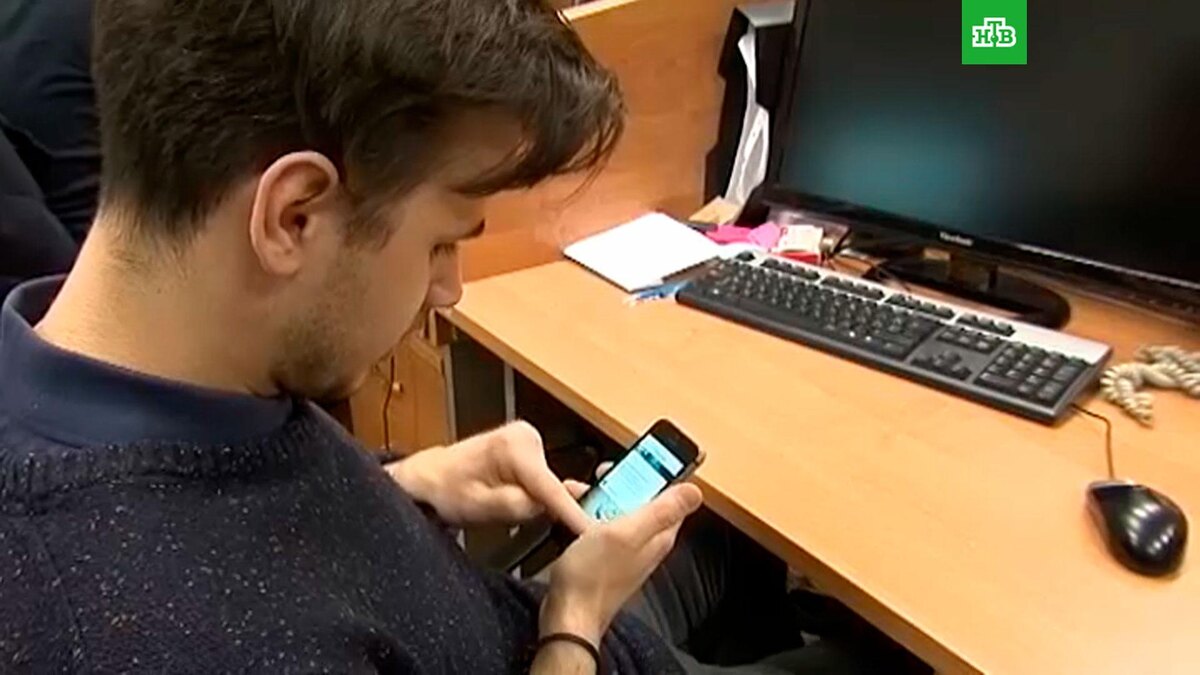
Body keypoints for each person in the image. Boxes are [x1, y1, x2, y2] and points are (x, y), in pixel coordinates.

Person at [0, 1, 912, 672]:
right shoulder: (158, 632)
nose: (449, 289)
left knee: (732, 541)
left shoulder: (146, 365)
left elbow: (243, 523)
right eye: (443, 241)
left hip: (517, 614)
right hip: (567, 638)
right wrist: (572, 626)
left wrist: (409, 485)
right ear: (293, 216)